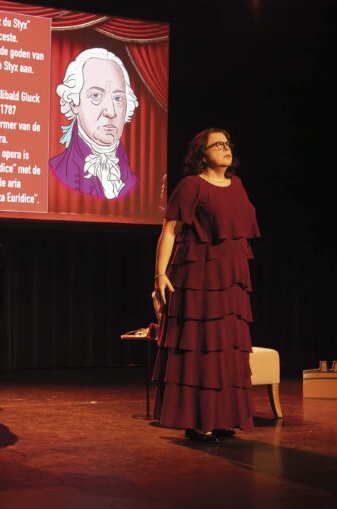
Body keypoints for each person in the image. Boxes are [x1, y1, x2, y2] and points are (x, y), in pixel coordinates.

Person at [152, 129, 260, 443]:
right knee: (201, 347)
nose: (226, 148)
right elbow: (169, 231)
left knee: (226, 349)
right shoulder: (192, 186)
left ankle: (224, 417)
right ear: (202, 152)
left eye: (227, 143)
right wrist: (160, 275)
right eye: (217, 144)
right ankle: (198, 422)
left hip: (231, 281)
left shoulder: (237, 185)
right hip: (199, 278)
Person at [49, 48, 139, 200]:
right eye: (96, 95)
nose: (110, 112)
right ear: (73, 103)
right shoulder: (55, 171)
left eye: (118, 98)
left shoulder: (135, 182)